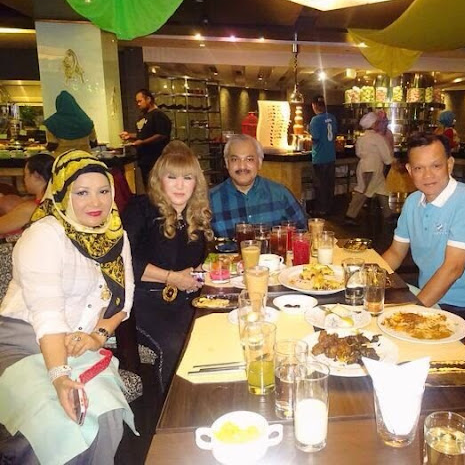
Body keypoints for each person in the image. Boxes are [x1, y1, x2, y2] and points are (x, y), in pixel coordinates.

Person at [0, 150, 136, 464]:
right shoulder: (44, 236)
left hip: (79, 343)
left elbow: (123, 301)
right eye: (82, 192)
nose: (96, 202)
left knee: (105, 413)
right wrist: (60, 377)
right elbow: (46, 315)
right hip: (23, 341)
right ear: (62, 194)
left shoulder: (116, 235)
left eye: (103, 191)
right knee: (55, 424)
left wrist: (97, 337)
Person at [122, 141, 213, 391]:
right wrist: (171, 277)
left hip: (184, 300)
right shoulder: (141, 208)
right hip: (143, 303)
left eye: (187, 178)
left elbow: (195, 265)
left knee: (215, 332)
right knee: (179, 345)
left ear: (196, 183)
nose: (180, 185)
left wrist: (198, 276)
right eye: (172, 177)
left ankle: (209, 398)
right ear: (159, 180)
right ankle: (174, 409)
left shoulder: (196, 214)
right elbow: (122, 260)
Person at [381, 133, 465, 323]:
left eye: (436, 166)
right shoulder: (413, 202)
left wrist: (412, 313)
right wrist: (366, 281)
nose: (428, 175)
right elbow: (396, 253)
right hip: (426, 296)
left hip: (464, 308)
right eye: (419, 168)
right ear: (409, 170)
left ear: (450, 164)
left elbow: (453, 268)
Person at [208, 134, 307, 238]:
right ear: (227, 163)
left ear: (259, 163)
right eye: (235, 159)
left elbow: (303, 234)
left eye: (249, 159)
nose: (242, 166)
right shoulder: (210, 201)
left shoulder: (280, 195)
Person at [345, 112, 393, 224]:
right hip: (374, 168)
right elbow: (386, 156)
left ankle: (388, 215)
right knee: (363, 191)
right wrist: (391, 161)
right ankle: (350, 216)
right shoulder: (378, 138)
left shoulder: (361, 138)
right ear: (374, 124)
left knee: (382, 190)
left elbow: (358, 153)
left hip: (364, 167)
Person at [119, 88, 172, 186]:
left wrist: (142, 142)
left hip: (156, 159)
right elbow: (143, 135)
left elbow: (161, 135)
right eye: (137, 102)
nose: (138, 104)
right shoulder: (143, 116)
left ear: (148, 99)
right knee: (148, 186)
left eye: (140, 101)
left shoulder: (158, 115)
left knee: (157, 187)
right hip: (144, 160)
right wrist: (129, 136)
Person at [0, 154, 54, 237]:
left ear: (36, 175)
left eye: (26, 174)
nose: (24, 179)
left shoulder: (32, 208)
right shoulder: (55, 201)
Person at [309, 95, 337, 216]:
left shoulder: (315, 120)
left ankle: (320, 210)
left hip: (320, 157)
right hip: (331, 156)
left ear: (314, 105)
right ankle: (329, 208)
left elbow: (315, 138)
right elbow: (334, 135)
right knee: (329, 185)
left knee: (320, 185)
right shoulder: (332, 117)